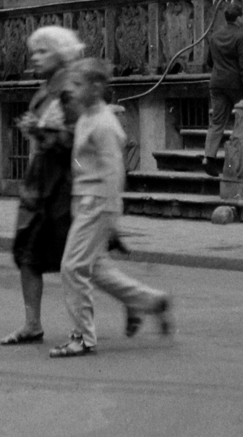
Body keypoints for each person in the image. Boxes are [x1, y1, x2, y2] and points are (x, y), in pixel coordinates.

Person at [50, 58, 171, 358]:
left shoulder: (103, 123)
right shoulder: (86, 119)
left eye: (79, 85)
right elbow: (81, 161)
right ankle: (151, 302)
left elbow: (114, 170)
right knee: (97, 270)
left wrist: (105, 208)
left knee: (72, 267)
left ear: (96, 86)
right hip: (86, 201)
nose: (73, 90)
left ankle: (82, 337)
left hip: (96, 203)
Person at [2, 25, 82, 347]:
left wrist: (45, 133)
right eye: (33, 51)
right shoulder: (45, 87)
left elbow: (80, 137)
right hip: (40, 178)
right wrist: (35, 131)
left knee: (75, 260)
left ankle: (134, 304)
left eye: (43, 51)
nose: (35, 57)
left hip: (63, 181)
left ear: (61, 53)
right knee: (28, 251)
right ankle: (31, 323)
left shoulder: (72, 86)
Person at [203, 0, 243, 177]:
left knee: (217, 122)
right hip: (235, 85)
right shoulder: (242, 36)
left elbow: (209, 61)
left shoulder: (215, 36)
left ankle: (209, 157)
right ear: (239, 19)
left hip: (216, 83)